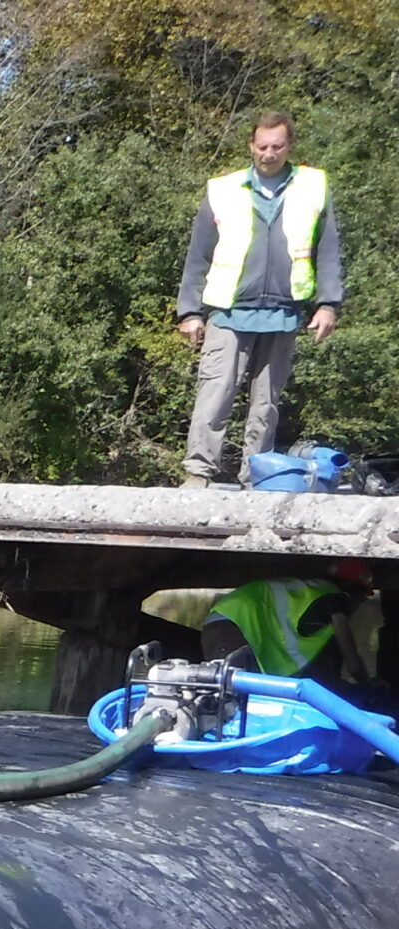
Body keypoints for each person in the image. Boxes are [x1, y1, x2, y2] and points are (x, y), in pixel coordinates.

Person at [176, 112, 344, 488]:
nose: (269, 154)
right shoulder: (223, 190)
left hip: (284, 313)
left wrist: (328, 304)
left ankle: (258, 477)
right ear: (251, 146)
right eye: (263, 146)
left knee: (266, 405)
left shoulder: (312, 187)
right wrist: (189, 311)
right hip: (229, 312)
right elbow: (198, 255)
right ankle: (198, 473)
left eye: (277, 146)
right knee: (215, 395)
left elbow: (328, 249)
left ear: (290, 146)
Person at [200, 561, 377, 685]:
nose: (359, 605)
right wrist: (368, 686)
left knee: (233, 696)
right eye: (362, 598)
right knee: (238, 698)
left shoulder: (312, 590)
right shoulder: (335, 599)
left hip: (221, 622)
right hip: (235, 626)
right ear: (351, 590)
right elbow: (352, 661)